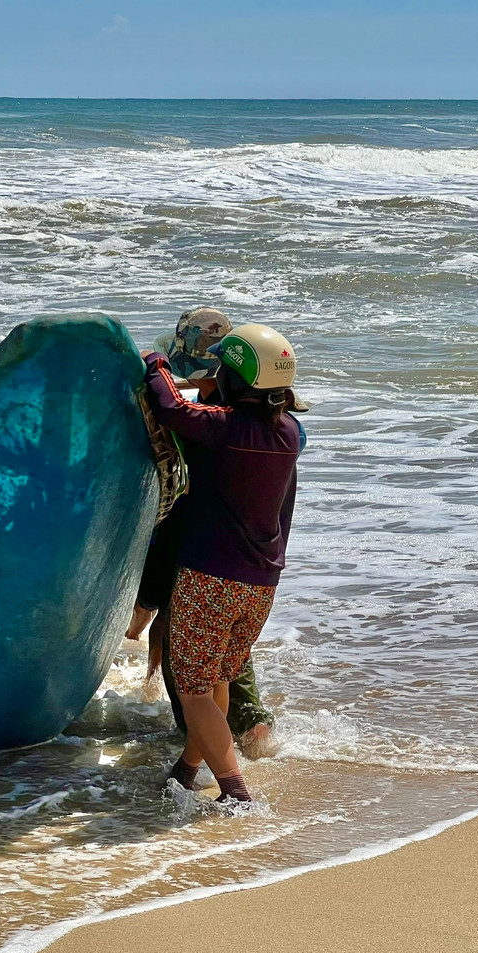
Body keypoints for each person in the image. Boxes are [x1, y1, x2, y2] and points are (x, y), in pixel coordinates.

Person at [143, 323, 304, 804]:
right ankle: (187, 770)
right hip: (261, 585)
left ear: (236, 381)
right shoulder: (291, 434)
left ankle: (236, 793)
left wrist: (156, 362)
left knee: (192, 690)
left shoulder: (225, 429)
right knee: (216, 681)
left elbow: (172, 407)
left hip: (210, 578)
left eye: (222, 369)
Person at [127, 308, 277, 748]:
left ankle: (201, 753)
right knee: (229, 656)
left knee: (187, 661)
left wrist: (147, 599)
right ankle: (253, 729)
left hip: (203, 559)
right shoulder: (269, 425)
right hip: (254, 563)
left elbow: (172, 410)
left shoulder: (208, 426)